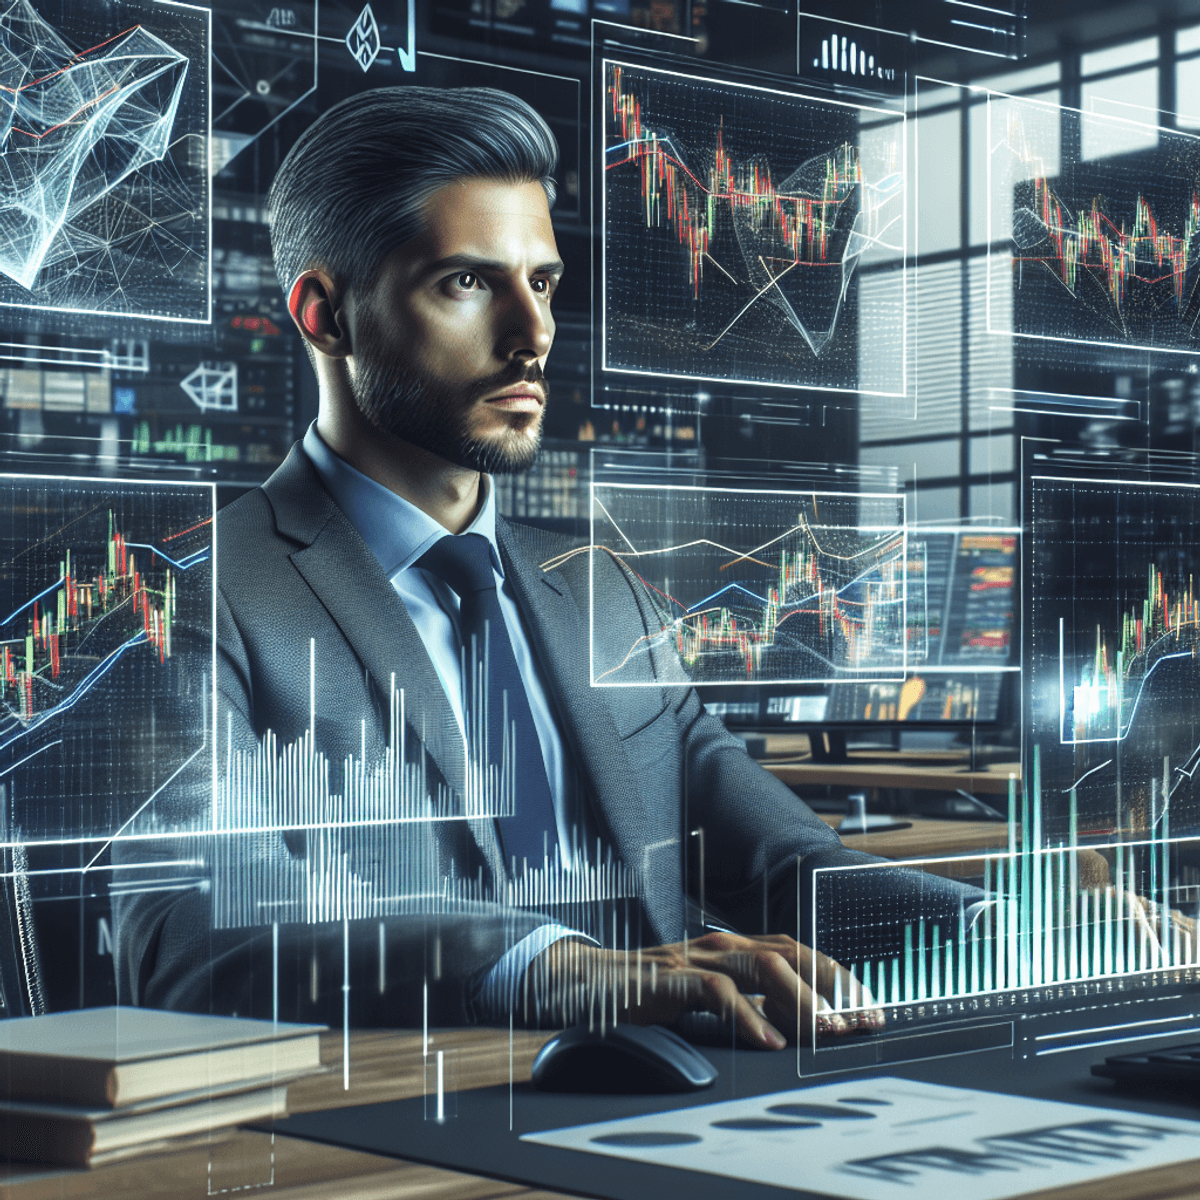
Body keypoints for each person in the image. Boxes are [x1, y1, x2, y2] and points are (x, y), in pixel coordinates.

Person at [113, 87, 978, 1046]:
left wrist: (996, 928)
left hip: (687, 1092)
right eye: (468, 284)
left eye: (545, 282)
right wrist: (551, 970)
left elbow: (784, 861)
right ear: (326, 316)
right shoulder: (190, 597)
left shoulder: (602, 591)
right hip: (418, 1130)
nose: (535, 334)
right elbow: (191, 935)